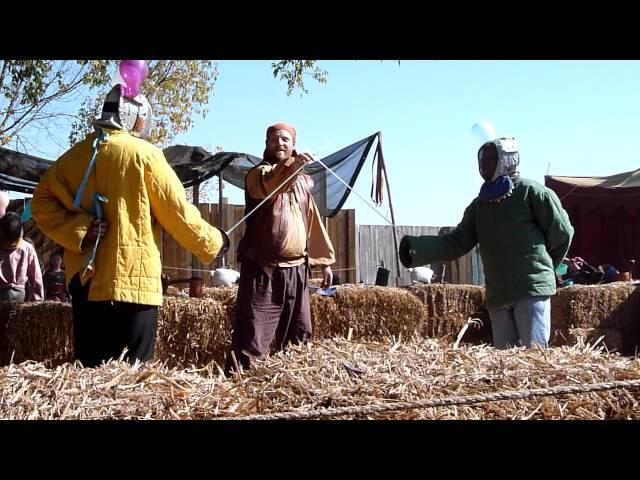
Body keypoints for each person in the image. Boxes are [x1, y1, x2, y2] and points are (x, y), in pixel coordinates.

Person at [31, 85, 228, 367]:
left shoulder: (72, 158)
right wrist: (215, 242)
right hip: (133, 281)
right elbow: (178, 213)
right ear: (135, 115)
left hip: (86, 282)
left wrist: (79, 228)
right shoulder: (145, 155)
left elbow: (40, 204)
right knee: (134, 376)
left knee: (91, 372)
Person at [399, 137, 574, 349]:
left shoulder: (532, 192)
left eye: (491, 159)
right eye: (483, 160)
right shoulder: (480, 205)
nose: (485, 165)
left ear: (507, 160)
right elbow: (457, 242)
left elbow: (562, 232)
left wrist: (543, 268)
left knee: (534, 354)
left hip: (530, 289)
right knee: (504, 360)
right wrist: (415, 249)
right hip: (498, 293)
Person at [225, 122, 335, 374]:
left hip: (297, 271)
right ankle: (242, 388)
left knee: (299, 336)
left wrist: (324, 261)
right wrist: (293, 167)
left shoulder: (304, 182)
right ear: (266, 145)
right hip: (263, 269)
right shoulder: (258, 175)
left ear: (293, 145)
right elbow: (273, 184)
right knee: (252, 339)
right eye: (275, 139)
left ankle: (292, 388)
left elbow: (312, 221)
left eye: (285, 139)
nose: (280, 143)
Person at [0, 212, 44, 302]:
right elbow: (36, 276)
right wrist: (38, 298)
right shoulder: (27, 248)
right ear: (21, 231)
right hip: (20, 294)